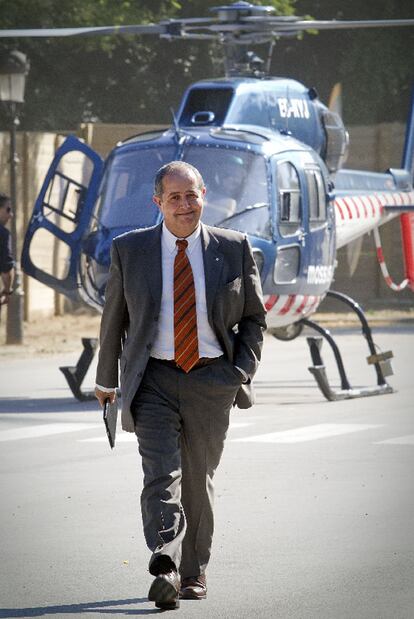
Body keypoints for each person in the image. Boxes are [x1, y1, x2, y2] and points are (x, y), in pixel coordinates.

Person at [95, 161, 266, 610]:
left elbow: (253, 316)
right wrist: (105, 379)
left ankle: (194, 573)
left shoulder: (233, 248)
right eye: (175, 197)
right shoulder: (130, 250)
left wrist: (240, 371)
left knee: (196, 479)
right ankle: (165, 563)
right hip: (153, 377)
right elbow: (114, 319)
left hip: (213, 378)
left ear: (203, 194)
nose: (185, 205)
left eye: (192, 195)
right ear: (158, 202)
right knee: (160, 474)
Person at [0, 194, 15, 312]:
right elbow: (6, 268)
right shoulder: (3, 234)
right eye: (8, 209)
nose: (11, 215)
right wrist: (7, 290)